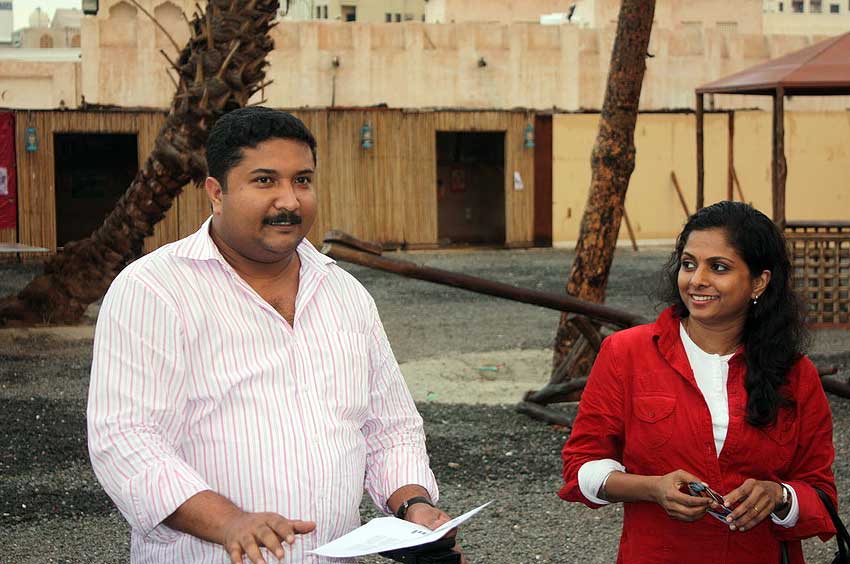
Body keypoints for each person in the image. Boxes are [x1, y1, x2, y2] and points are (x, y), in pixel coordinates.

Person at [88, 107, 461, 564]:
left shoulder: (343, 292)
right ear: (217, 193)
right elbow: (126, 438)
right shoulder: (155, 290)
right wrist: (229, 522)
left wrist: (412, 505)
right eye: (265, 180)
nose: (289, 201)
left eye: (302, 180)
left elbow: (389, 427)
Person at [559, 201, 837, 563]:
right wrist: (651, 488)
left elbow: (822, 497)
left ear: (758, 282)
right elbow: (580, 467)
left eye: (718, 267)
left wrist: (779, 496)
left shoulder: (796, 374)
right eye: (689, 264)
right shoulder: (626, 353)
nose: (696, 280)